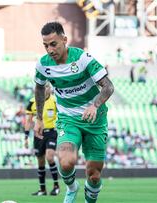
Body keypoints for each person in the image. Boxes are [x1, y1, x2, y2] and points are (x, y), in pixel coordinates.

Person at [33, 22, 114, 203]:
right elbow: (39, 88)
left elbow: (108, 86)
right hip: (68, 120)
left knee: (93, 175)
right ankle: (71, 188)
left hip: (95, 121)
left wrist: (94, 105)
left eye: (53, 44)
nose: (50, 50)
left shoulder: (83, 59)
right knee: (66, 160)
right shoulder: (43, 65)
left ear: (64, 40)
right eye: (45, 45)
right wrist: (38, 118)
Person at [24, 83, 59, 196]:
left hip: (51, 132)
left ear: (50, 88)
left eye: (47, 87)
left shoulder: (55, 101)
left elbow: (62, 115)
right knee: (40, 161)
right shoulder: (32, 101)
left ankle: (56, 186)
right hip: (38, 134)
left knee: (49, 156)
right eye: (43, 87)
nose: (45, 89)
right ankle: (42, 189)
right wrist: (25, 136)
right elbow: (29, 120)